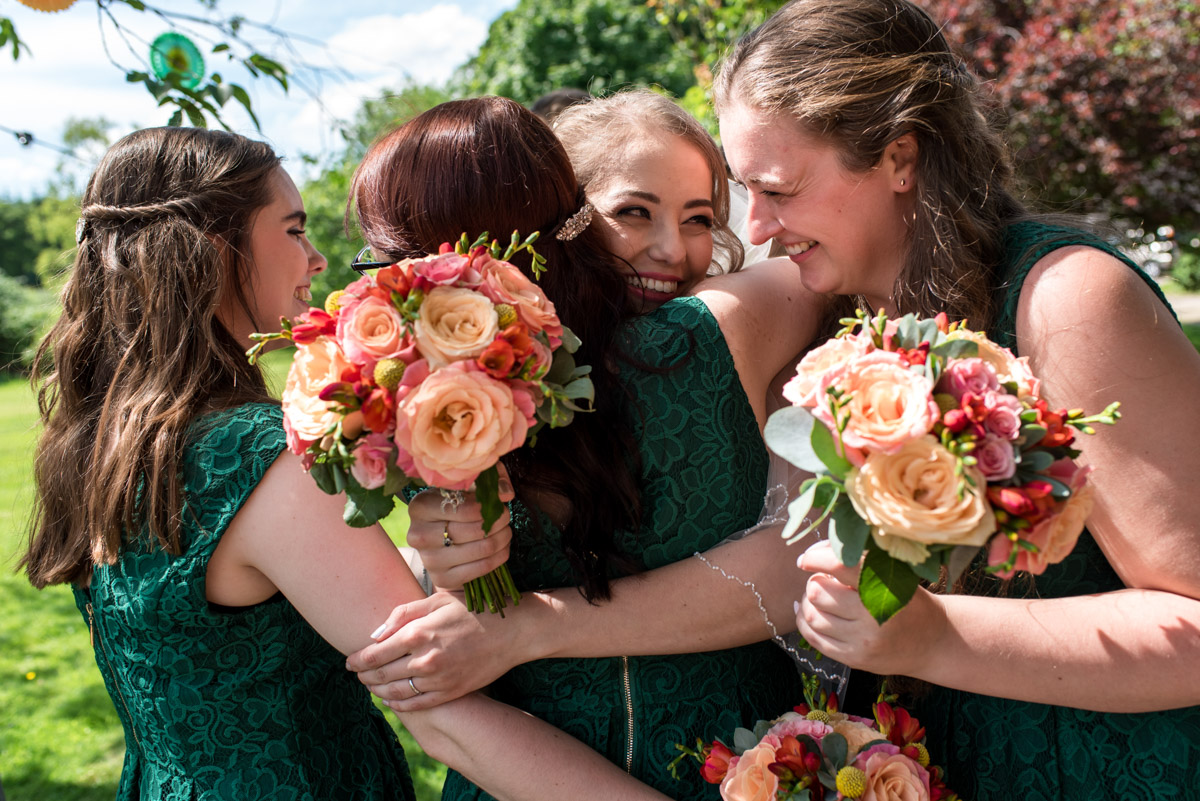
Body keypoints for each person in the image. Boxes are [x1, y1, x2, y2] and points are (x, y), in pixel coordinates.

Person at [19, 125, 674, 801]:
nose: (319, 258)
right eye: (294, 229)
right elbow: (437, 706)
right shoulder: (249, 452)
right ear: (216, 251)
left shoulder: (102, 441)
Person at [712, 0, 1200, 798]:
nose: (759, 228)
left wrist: (935, 637)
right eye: (744, 191)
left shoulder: (1068, 300)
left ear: (901, 157)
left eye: (781, 188)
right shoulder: (843, 328)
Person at [345, 93, 822, 799]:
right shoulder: (458, 386)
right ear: (568, 219)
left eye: (700, 219)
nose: (671, 249)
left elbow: (800, 566)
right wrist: (441, 556)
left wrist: (519, 624)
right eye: (634, 212)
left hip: (725, 763)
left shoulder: (712, 327)